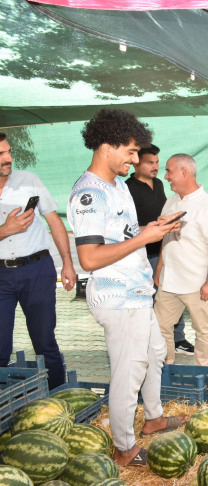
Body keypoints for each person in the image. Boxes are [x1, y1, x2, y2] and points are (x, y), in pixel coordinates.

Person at [68, 109, 186, 466]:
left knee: (154, 357)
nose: (136, 160)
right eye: (131, 152)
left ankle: (154, 418)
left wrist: (154, 228)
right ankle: (124, 447)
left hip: (137, 293)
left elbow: (124, 236)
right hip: (116, 298)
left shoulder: (117, 185)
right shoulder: (89, 195)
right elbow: (89, 258)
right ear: (107, 146)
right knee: (129, 370)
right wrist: (145, 239)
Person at [0, 132, 75, 390]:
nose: (8, 158)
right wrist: (5, 230)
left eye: (8, 151)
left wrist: (67, 262)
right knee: (0, 348)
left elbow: (54, 221)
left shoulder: (29, 180)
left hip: (36, 270)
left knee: (45, 343)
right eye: (1, 154)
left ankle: (58, 398)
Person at [154, 154, 208, 367]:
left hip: (196, 283)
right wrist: (159, 270)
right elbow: (165, 238)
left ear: (184, 172)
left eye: (169, 171)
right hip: (169, 281)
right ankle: (166, 368)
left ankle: (201, 371)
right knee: (158, 327)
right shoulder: (171, 201)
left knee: (202, 329)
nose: (165, 176)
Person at [125, 144, 193, 355]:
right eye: (149, 162)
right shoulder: (127, 188)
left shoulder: (160, 184)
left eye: (157, 162)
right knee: (150, 298)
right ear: (136, 162)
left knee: (172, 291)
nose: (155, 167)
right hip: (142, 253)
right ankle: (151, 341)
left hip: (165, 249)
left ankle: (178, 338)